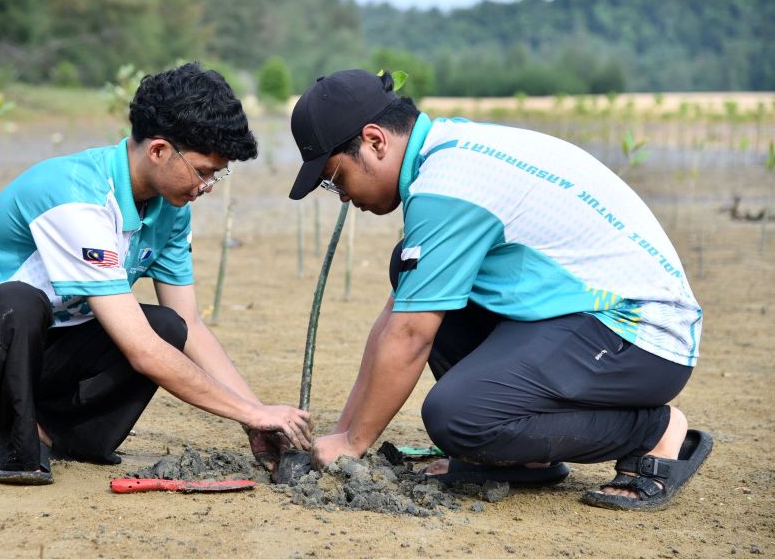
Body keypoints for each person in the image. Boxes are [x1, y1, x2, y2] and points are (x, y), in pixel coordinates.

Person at [287, 69, 711, 511]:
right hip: (577, 314)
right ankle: (522, 457)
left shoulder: (447, 186)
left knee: (457, 417)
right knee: (407, 267)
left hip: (641, 335)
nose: (341, 195)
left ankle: (653, 432)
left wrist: (354, 444)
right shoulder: (446, 152)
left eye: (335, 178)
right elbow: (396, 321)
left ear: (375, 141)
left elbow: (411, 336)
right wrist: (342, 434)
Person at [0, 62, 310, 485]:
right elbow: (140, 351)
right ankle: (17, 441)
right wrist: (250, 411)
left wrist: (256, 418)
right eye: (203, 171)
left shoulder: (170, 209)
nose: (208, 186)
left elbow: (190, 325)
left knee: (166, 326)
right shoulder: (78, 196)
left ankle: (64, 436)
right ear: (158, 151)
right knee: (22, 302)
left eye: (218, 173)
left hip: (50, 340)